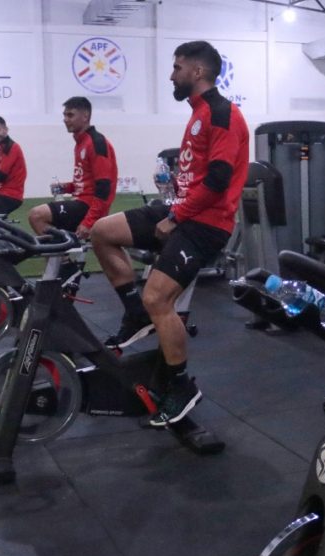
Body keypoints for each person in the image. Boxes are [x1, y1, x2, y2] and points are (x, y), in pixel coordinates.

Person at [89, 41, 249, 428]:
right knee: (102, 231)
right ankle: (134, 314)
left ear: (197, 72)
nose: (171, 75)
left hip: (206, 224)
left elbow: (218, 180)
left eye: (177, 68)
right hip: (182, 210)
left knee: (158, 297)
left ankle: (180, 386)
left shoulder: (224, 114)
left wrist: (175, 217)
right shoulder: (198, 113)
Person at [28, 96, 117, 237]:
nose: (65, 119)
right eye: (64, 115)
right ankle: (62, 257)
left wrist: (89, 222)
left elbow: (104, 188)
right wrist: (67, 187)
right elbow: (86, 182)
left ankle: (62, 259)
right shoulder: (81, 142)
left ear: (85, 116)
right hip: (80, 202)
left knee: (36, 215)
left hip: (87, 207)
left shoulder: (96, 143)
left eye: (70, 115)